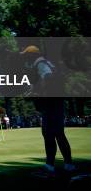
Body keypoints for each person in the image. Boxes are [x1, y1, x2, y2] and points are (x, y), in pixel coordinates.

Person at [21, 45, 75, 175]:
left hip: (51, 103)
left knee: (49, 133)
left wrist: (37, 93)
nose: (25, 58)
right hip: (56, 101)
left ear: (32, 55)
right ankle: (67, 164)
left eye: (27, 55)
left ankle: (51, 165)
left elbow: (48, 78)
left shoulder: (39, 63)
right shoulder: (46, 62)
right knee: (58, 133)